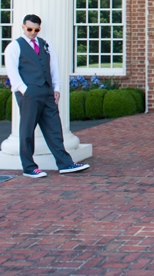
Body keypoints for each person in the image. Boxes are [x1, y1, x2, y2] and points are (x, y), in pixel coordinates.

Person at [5, 14, 90, 178]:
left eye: (36, 29)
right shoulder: (14, 46)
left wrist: (56, 87)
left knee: (54, 128)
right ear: (23, 27)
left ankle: (65, 164)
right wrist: (24, 90)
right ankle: (29, 167)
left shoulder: (45, 45)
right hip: (29, 93)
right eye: (29, 29)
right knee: (27, 130)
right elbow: (12, 72)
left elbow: (53, 67)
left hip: (47, 92)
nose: (33, 32)